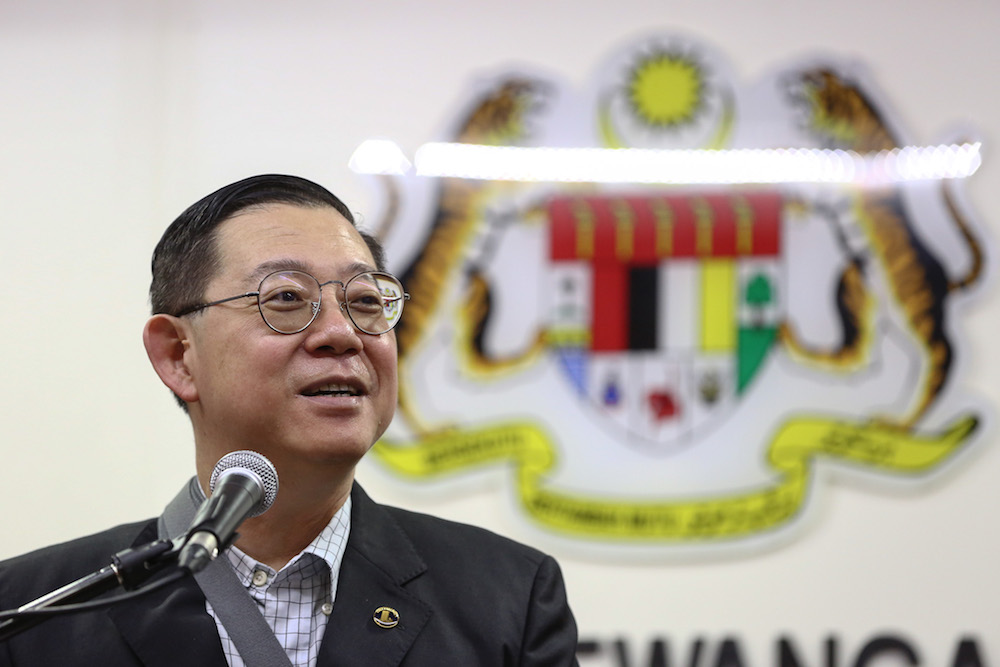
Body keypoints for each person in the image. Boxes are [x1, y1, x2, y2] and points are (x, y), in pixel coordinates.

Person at [0, 174, 579, 666]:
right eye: (285, 298)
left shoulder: (509, 596)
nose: (341, 334)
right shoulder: (37, 613)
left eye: (366, 301)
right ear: (179, 355)